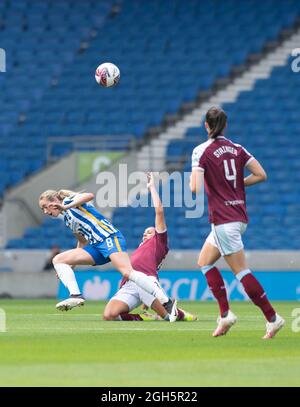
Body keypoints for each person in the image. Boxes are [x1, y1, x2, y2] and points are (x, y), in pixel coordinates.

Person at [189, 106, 285, 339]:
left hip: (223, 219)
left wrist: (203, 177)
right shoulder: (237, 148)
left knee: (241, 272)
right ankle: (225, 314)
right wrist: (237, 185)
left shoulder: (201, 151)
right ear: (225, 125)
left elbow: (194, 188)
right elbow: (261, 174)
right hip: (239, 216)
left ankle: (273, 318)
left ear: (206, 125)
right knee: (204, 261)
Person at [39, 189, 177, 321]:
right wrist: (72, 265)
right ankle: (76, 295)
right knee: (58, 259)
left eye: (46, 206)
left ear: (54, 200)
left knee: (127, 272)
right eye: (42, 209)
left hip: (109, 238)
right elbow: (82, 241)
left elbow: (89, 196)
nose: (45, 211)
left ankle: (166, 301)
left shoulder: (69, 201)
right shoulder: (68, 219)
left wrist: (66, 207)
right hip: (96, 247)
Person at [103, 173, 197, 322]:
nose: (145, 234)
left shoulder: (159, 242)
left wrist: (151, 187)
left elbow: (159, 211)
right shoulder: (141, 247)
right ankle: (145, 317)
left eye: (149, 232)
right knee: (109, 315)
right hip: (129, 284)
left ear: (157, 235)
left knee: (168, 318)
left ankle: (178, 314)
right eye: (144, 233)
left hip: (146, 281)